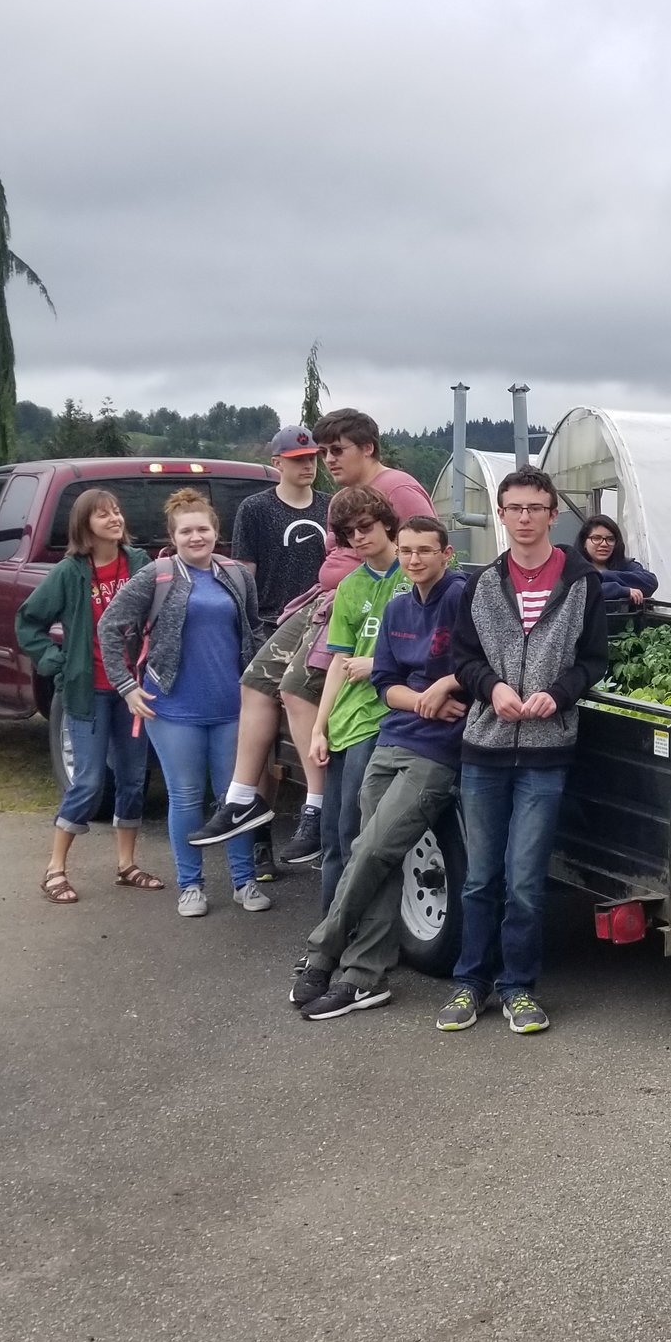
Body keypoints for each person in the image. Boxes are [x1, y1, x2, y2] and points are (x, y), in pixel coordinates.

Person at [190, 407, 434, 861]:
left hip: (367, 607)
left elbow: (431, 551)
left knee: (296, 687)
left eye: (336, 451)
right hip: (327, 600)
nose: (328, 461)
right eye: (322, 453)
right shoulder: (345, 495)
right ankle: (243, 798)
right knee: (256, 680)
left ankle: (315, 808)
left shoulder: (397, 488)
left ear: (368, 448)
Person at [437, 466, 607, 1035]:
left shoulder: (581, 583)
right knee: (480, 878)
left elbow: (594, 660)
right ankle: (470, 983)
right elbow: (462, 658)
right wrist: (495, 689)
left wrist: (557, 696)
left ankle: (519, 988)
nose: (526, 518)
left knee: (526, 882)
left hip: (546, 752)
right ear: (502, 515)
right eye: (515, 508)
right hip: (484, 749)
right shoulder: (480, 584)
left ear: (553, 514)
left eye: (537, 508)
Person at [291, 517, 471, 1020]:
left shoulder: (461, 598)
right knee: (378, 854)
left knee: (371, 847)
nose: (414, 560)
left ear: (446, 553)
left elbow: (482, 664)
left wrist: (444, 688)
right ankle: (364, 976)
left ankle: (324, 950)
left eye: (424, 551)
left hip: (437, 752)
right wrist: (422, 700)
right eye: (408, 551)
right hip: (393, 738)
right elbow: (384, 683)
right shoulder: (397, 607)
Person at [99, 487, 268, 919]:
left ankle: (244, 880)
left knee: (235, 799)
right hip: (171, 708)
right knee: (187, 797)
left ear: (217, 532)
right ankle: (190, 886)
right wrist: (126, 686)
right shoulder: (157, 575)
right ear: (172, 537)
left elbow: (252, 631)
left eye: (204, 529)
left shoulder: (236, 575)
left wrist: (264, 687)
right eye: (187, 531)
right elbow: (109, 625)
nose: (197, 537)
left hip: (234, 706)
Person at [18, 488, 162, 904]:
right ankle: (55, 870)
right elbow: (28, 621)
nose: (114, 519)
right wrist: (56, 662)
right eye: (103, 515)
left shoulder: (139, 564)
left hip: (131, 692)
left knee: (134, 779)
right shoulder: (69, 573)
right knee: (89, 781)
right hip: (89, 690)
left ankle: (126, 865)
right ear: (85, 526)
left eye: (117, 512)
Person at [304, 486, 413, 914]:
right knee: (332, 834)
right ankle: (327, 931)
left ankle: (350, 931)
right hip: (345, 719)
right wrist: (319, 726)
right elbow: (337, 661)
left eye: (365, 527)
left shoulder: (415, 572)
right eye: (349, 533)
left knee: (356, 829)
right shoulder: (350, 585)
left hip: (383, 716)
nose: (359, 538)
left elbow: (432, 646)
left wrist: (379, 664)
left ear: (387, 522)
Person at [228, 423, 330, 637]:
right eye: (298, 459)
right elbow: (245, 571)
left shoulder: (332, 507)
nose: (308, 466)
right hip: (271, 624)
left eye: (312, 458)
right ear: (277, 463)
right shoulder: (255, 508)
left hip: (322, 622)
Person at [579, 514, 658, 614]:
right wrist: (621, 590)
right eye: (596, 538)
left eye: (610, 539)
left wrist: (604, 575)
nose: (604, 544)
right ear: (584, 543)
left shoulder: (626, 565)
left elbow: (650, 582)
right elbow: (582, 591)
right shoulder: (574, 568)